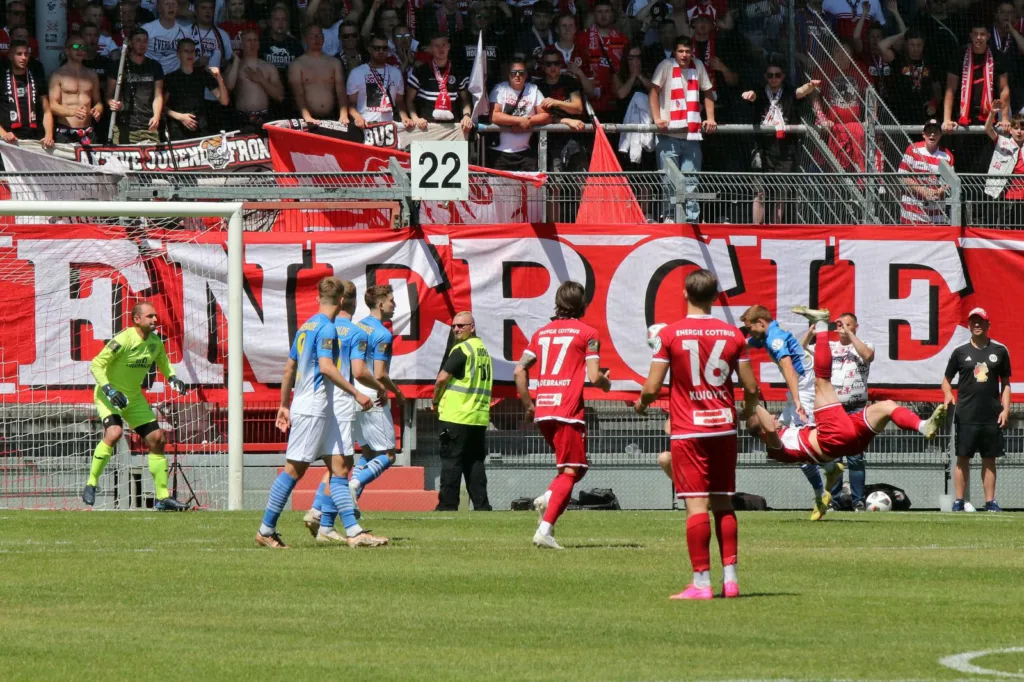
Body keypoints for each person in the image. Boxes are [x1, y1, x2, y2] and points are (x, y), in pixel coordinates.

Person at [637, 269, 759, 599]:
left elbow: (652, 386)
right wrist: (748, 413)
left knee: (696, 506)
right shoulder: (734, 335)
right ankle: (730, 580)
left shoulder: (671, 335)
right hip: (723, 426)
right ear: (716, 295)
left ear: (684, 294)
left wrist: (641, 403)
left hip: (689, 429)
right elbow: (750, 386)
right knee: (723, 501)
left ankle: (702, 583)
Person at [256, 277, 386, 549]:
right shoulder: (326, 329)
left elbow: (289, 368)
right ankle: (266, 529)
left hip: (320, 407)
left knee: (339, 467)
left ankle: (353, 532)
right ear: (341, 302)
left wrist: (283, 404)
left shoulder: (306, 326)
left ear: (318, 298)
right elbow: (327, 367)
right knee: (294, 470)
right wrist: (357, 392)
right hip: (313, 407)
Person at [748, 329, 946, 470]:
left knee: (887, 406)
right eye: (769, 418)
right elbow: (770, 427)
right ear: (763, 430)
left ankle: (922, 426)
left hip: (848, 444)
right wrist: (753, 402)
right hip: (831, 439)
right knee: (821, 382)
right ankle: (823, 326)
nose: (774, 416)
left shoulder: (782, 432)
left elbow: (772, 424)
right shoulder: (773, 447)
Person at [514, 281, 611, 549]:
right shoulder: (589, 333)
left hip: (544, 408)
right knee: (571, 470)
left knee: (576, 468)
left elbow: (519, 371)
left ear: (557, 303)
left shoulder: (541, 334)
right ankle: (545, 530)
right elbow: (593, 376)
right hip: (567, 410)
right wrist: (605, 382)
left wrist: (528, 405)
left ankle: (549, 496)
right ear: (582, 305)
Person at [82, 301, 190, 511]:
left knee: (157, 438)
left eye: (155, 316)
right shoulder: (124, 339)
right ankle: (91, 483)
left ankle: (162, 498)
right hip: (109, 396)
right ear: (137, 319)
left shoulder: (156, 342)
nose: (155, 320)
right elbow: (96, 364)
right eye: (150, 316)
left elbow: (163, 362)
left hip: (134, 398)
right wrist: (109, 390)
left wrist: (173, 378)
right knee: (114, 433)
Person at [302, 281, 388, 542]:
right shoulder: (355, 332)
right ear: (352, 302)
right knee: (345, 464)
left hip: (319, 397)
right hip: (344, 399)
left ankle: (324, 521)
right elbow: (360, 371)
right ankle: (329, 518)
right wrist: (380, 388)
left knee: (339, 463)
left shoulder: (319, 326)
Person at [740, 304, 842, 520]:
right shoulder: (776, 331)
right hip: (803, 386)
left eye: (751, 328)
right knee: (789, 444)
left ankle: (823, 489)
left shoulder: (773, 338)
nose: (751, 333)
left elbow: (789, 369)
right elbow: (795, 353)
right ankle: (830, 470)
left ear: (761, 322)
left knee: (798, 446)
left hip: (804, 390)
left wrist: (797, 400)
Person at [800, 312, 875, 511]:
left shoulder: (863, 344)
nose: (842, 328)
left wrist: (850, 335)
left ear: (855, 327)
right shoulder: (830, 347)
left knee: (856, 457)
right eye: (841, 325)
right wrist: (811, 332)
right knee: (833, 456)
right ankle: (833, 500)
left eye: (848, 325)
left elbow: (868, 356)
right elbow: (800, 351)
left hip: (856, 408)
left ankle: (858, 500)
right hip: (834, 408)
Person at [941, 307, 1011, 513]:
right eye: (973, 321)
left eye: (981, 321)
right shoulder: (960, 352)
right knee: (963, 458)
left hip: (991, 415)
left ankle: (990, 502)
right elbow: (946, 381)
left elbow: (1006, 383)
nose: (977, 324)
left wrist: (1005, 409)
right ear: (969, 325)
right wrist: (948, 395)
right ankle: (959, 502)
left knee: (989, 459)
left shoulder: (1000, 351)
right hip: (966, 415)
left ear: (988, 325)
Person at [348, 284, 405, 512]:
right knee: (389, 456)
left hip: (355, 396)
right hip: (373, 397)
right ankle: (355, 484)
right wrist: (397, 392)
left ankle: (350, 503)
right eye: (391, 300)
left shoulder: (357, 327)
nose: (395, 305)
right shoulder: (382, 333)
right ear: (380, 304)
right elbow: (380, 373)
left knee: (368, 452)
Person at [741, 62, 819, 224]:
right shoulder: (761, 92)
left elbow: (801, 91)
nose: (774, 78)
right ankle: (756, 230)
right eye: (770, 75)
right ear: (765, 77)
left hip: (785, 150)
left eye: (777, 75)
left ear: (783, 77)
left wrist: (810, 86)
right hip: (762, 149)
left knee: (780, 195)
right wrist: (749, 94)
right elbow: (753, 96)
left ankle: (776, 229)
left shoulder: (789, 92)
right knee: (760, 193)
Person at [432, 311, 493, 512]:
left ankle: (447, 506)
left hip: (456, 416)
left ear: (472, 327)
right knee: (474, 464)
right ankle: (482, 507)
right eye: (454, 326)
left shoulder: (462, 350)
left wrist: (435, 399)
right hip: (477, 417)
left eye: (461, 326)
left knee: (451, 463)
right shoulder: (482, 350)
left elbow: (442, 378)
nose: (457, 329)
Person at [650, 37, 715, 222]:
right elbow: (653, 92)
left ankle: (692, 221)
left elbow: (708, 92)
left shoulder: (699, 66)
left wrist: (710, 118)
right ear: (674, 52)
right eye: (681, 51)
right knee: (669, 183)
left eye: (687, 51)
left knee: (691, 182)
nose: (684, 55)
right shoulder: (665, 65)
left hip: (692, 135)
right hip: (668, 135)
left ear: (693, 52)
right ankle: (670, 219)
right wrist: (657, 118)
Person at [943, 21, 1010, 173]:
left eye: (982, 34)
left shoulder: (998, 57)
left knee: (985, 164)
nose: (979, 38)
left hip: (989, 119)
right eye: (975, 34)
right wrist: (947, 119)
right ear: (970, 36)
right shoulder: (959, 56)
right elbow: (950, 88)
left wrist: (1004, 118)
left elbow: (1004, 88)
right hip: (963, 118)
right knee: (962, 164)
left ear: (988, 36)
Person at [489, 58, 551, 172]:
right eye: (514, 72)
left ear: (526, 75)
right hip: (499, 153)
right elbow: (494, 116)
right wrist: (519, 121)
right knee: (499, 190)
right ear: (508, 75)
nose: (517, 75)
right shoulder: (500, 89)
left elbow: (546, 116)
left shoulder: (533, 89)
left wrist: (528, 121)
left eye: (521, 73)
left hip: (526, 154)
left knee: (529, 189)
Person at [406, 32, 474, 134]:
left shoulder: (458, 71)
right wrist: (416, 119)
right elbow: (409, 100)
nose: (441, 49)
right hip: (426, 128)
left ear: (449, 47)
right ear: (430, 48)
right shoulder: (421, 71)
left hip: (453, 130)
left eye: (443, 45)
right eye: (437, 46)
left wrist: (467, 116)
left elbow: (465, 100)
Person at [108, 27, 165, 143]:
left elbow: (158, 95)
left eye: (145, 41)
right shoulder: (118, 66)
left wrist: (156, 116)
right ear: (130, 43)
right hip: (124, 126)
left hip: (149, 125)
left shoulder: (155, 66)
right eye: (138, 40)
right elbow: (109, 94)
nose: (142, 44)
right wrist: (111, 103)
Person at [347, 31, 412, 132]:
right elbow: (351, 104)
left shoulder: (396, 73)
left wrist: (405, 117)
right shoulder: (356, 73)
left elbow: (399, 102)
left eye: (384, 48)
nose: (381, 51)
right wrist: (357, 117)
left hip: (389, 127)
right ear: (369, 49)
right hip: (365, 126)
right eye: (377, 48)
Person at [164, 38, 228, 140]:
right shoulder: (170, 78)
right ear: (178, 54)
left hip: (201, 128)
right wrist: (180, 117)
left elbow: (224, 101)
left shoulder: (202, 74)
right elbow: (162, 107)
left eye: (192, 51)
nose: (190, 54)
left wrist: (219, 78)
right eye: (186, 51)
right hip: (178, 129)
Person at [48, 34, 104, 145]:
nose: (80, 51)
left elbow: (98, 102)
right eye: (76, 47)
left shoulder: (92, 75)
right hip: (65, 132)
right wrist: (72, 112)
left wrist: (98, 110)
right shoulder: (58, 75)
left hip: (88, 131)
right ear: (67, 50)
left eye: (83, 47)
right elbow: (53, 106)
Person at [288, 24, 349, 125]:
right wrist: (307, 117)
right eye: (312, 36)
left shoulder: (334, 62)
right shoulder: (297, 64)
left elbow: (341, 92)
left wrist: (343, 115)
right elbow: (298, 94)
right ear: (305, 39)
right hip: (306, 119)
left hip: (332, 117)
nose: (317, 39)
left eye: (320, 36)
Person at [226, 28, 284, 134]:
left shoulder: (269, 67)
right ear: (242, 44)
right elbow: (228, 87)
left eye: (255, 40)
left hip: (264, 118)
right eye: (248, 40)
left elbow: (280, 96)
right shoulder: (234, 66)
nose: (252, 44)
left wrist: (262, 80)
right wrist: (236, 62)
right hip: (241, 119)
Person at [897, 118, 954, 224]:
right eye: (929, 132)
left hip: (936, 214)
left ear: (940, 135)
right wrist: (923, 191)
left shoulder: (947, 155)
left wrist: (938, 192)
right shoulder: (913, 149)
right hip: (911, 211)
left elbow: (950, 182)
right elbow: (903, 175)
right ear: (923, 134)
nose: (932, 135)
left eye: (936, 132)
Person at [0, 41, 54, 148]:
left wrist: (48, 135)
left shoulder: (36, 77)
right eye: (19, 54)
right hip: (8, 140)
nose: (23, 57)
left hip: (34, 139)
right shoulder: (1, 79)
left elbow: (47, 111)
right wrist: (3, 134)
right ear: (10, 56)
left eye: (26, 54)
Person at [259, 4, 303, 119]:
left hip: (291, 97)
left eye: (284, 19)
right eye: (277, 19)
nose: (280, 23)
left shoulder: (295, 45)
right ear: (269, 22)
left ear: (288, 23)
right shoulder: (261, 43)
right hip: (266, 96)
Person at [143, 0, 188, 75]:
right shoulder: (147, 29)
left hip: (175, 77)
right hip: (151, 75)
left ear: (177, 7)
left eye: (173, 4)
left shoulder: (185, 33)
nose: (171, 7)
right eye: (166, 4)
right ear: (159, 8)